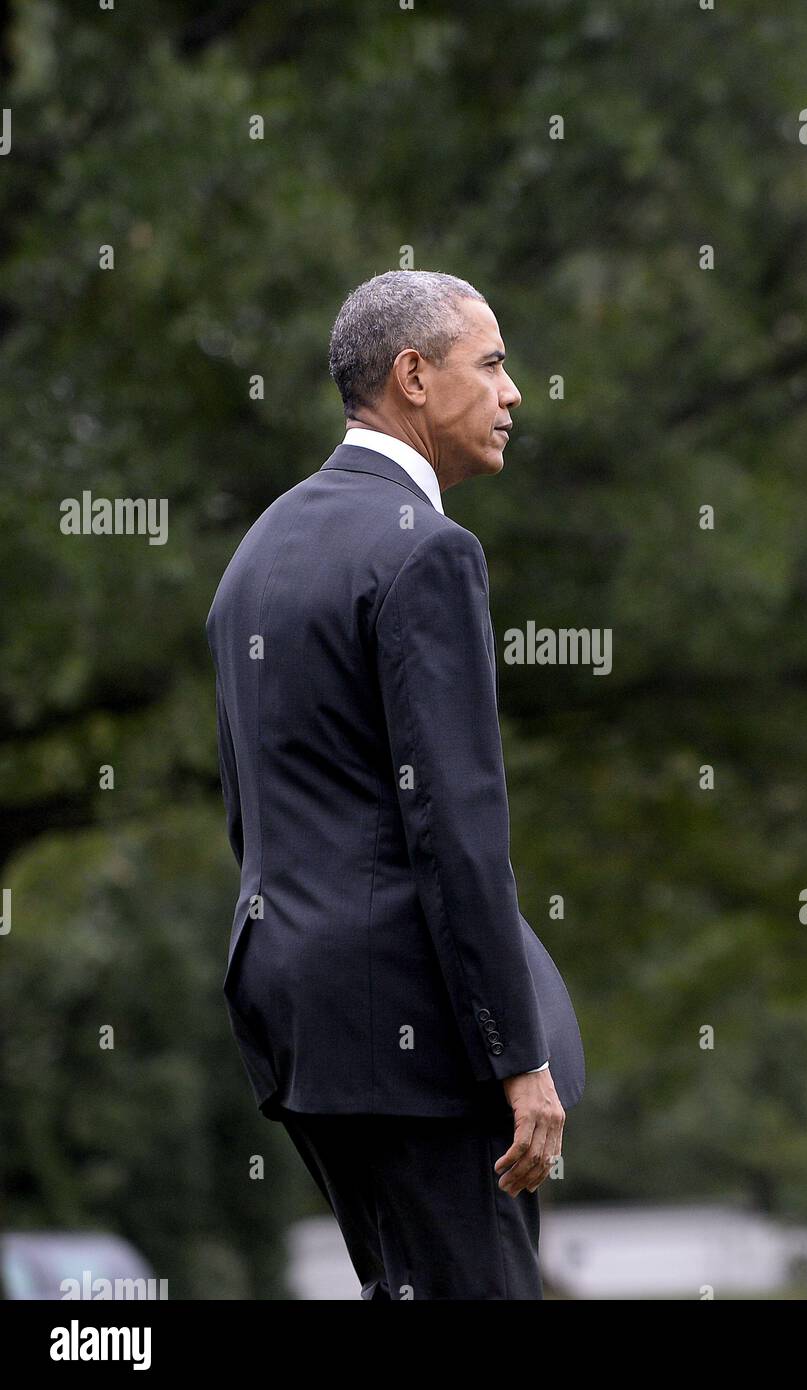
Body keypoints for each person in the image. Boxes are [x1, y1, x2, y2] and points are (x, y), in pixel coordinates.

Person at [205, 269, 586, 1300]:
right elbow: (457, 826)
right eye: (494, 364)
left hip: (299, 1021)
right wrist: (516, 1056)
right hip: (419, 1042)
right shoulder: (429, 554)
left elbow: (255, 813)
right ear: (413, 376)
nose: (515, 394)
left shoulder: (258, 552)